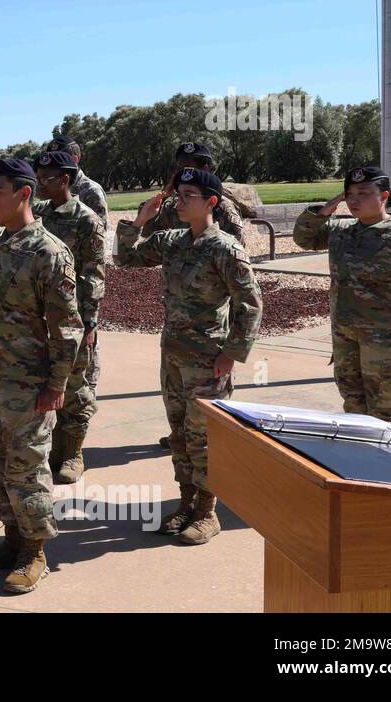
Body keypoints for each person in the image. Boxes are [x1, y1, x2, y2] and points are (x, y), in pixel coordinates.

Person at [0, 157, 82, 594]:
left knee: (28, 471)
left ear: (25, 193)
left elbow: (67, 328)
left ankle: (35, 551)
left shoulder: (49, 251)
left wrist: (57, 385)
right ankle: (11, 539)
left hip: (28, 386)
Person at [117, 167, 261, 545]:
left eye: (187, 197)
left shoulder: (226, 248)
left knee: (205, 438)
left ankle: (208, 512)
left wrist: (232, 353)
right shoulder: (171, 241)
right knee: (179, 434)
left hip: (207, 360)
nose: (178, 202)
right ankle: (185, 502)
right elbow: (126, 260)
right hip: (174, 356)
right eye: (178, 195)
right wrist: (139, 220)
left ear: (211, 202)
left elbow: (251, 305)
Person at [293, 166, 391, 419]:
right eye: (349, 194)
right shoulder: (341, 231)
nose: (354, 200)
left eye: (363, 193)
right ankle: (358, 457)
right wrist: (326, 209)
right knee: (353, 406)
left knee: (385, 411)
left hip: (385, 338)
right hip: (345, 334)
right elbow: (304, 238)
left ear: (384, 196)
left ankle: (388, 458)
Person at [138, 141, 246, 450]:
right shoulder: (175, 203)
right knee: (181, 411)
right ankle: (182, 434)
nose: (183, 172)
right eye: (179, 167)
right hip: (178, 324)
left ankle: (199, 443)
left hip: (209, 326)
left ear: (207, 169)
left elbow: (237, 273)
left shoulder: (222, 207)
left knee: (206, 422)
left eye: (191, 167)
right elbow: (147, 241)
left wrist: (233, 348)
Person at [31, 150, 105, 483]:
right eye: (37, 177)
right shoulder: (39, 214)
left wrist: (89, 322)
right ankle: (53, 450)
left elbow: (93, 275)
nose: (39, 185)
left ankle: (73, 453)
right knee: (48, 381)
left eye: (45, 179)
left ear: (64, 179)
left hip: (74, 319)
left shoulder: (87, 219)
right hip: (43, 316)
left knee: (76, 388)